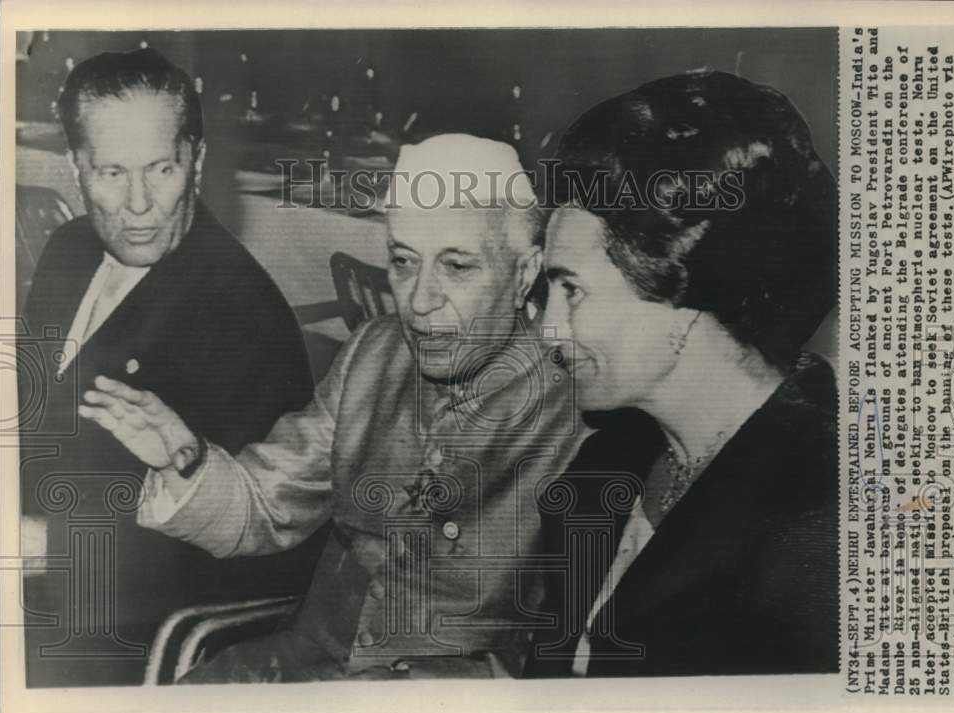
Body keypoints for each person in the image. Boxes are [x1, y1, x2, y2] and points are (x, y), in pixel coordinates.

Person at [80, 134, 582, 682]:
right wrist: (185, 454)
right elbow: (268, 506)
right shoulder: (373, 354)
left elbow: (576, 647)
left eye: (457, 267)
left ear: (526, 273)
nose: (418, 300)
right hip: (299, 670)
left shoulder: (577, 403)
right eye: (403, 262)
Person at [524, 71, 839, 678]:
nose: (548, 331)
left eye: (571, 290)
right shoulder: (605, 469)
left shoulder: (821, 524)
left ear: (689, 294)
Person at [19, 48, 317, 687]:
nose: (138, 205)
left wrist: (44, 546)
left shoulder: (244, 316)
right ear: (76, 168)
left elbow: (250, 560)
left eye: (160, 168)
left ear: (197, 161)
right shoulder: (69, 250)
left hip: (119, 636)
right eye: (110, 172)